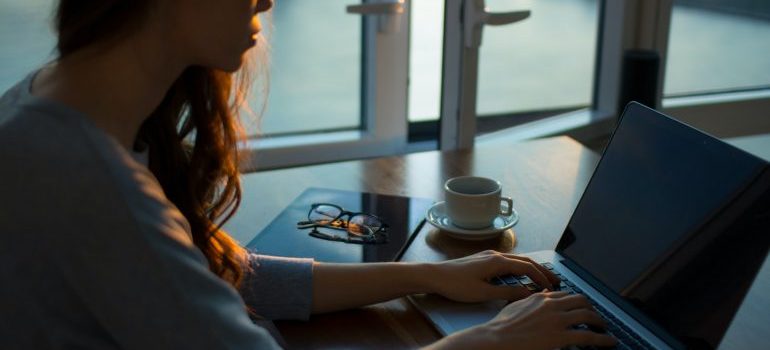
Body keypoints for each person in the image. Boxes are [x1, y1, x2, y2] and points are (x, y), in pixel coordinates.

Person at [0, 0, 617, 349]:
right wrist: (488, 343)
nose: (267, 2)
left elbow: (222, 277)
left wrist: (433, 274)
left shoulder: (43, 107)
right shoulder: (91, 185)